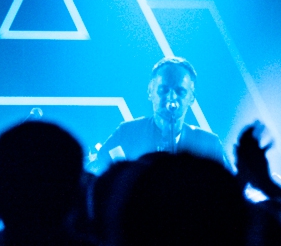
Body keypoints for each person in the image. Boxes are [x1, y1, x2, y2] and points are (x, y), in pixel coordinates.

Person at [93, 57, 227, 172]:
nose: (171, 98)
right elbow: (96, 169)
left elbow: (228, 188)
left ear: (192, 97)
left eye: (180, 91)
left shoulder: (210, 144)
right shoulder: (126, 133)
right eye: (163, 90)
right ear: (150, 91)